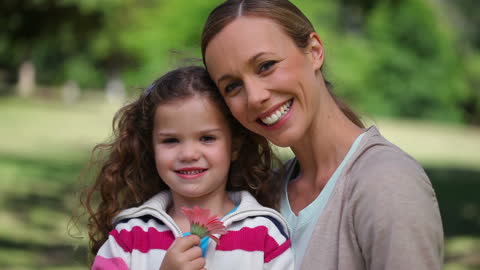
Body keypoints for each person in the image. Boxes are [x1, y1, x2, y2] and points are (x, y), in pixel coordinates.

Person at [200, 1, 444, 269]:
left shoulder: (387, 183)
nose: (255, 97)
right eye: (233, 86)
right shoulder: (264, 195)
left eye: (266, 65)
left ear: (315, 51)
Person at [82, 66, 294, 270]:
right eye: (171, 140)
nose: (188, 154)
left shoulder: (265, 235)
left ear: (234, 147)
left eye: (207, 138)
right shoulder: (129, 236)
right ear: (152, 148)